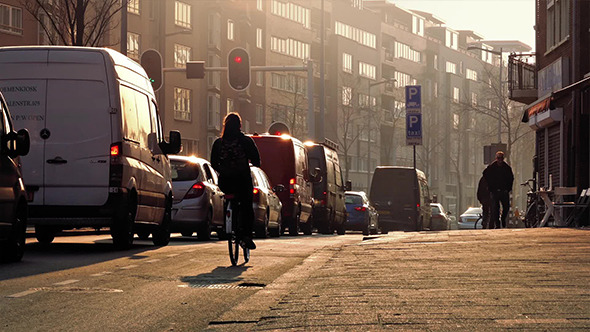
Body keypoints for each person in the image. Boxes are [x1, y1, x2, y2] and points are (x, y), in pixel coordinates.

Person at [211, 113, 261, 249]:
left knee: (229, 200)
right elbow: (257, 160)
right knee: (246, 206)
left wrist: (223, 170)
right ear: (240, 125)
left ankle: (229, 224)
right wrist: (251, 163)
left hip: (225, 182)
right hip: (242, 181)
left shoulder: (218, 143)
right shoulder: (246, 141)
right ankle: (246, 236)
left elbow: (213, 163)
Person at [483, 151, 514, 229]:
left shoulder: (507, 168)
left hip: (504, 191)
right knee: (495, 209)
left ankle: (503, 219)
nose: (500, 160)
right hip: (494, 191)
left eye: (501, 158)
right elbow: (485, 174)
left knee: (506, 207)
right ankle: (497, 224)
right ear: (496, 158)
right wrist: (490, 186)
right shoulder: (491, 167)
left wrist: (508, 188)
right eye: (498, 158)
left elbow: (511, 178)